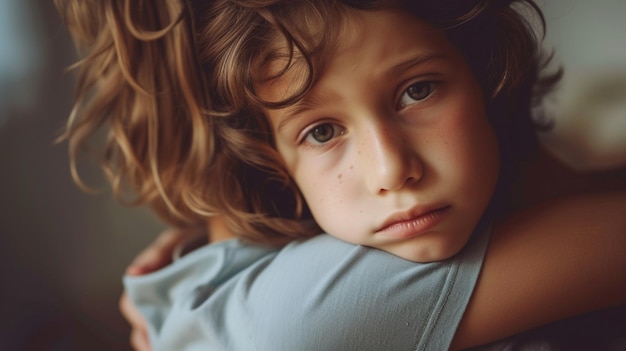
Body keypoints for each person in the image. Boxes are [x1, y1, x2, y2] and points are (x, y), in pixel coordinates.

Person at [54, 0, 626, 350]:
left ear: (485, 81)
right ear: (275, 167)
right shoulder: (307, 321)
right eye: (322, 132)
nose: (392, 169)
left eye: (417, 90)